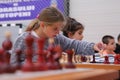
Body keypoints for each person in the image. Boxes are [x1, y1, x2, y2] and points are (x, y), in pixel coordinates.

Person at [10, 7, 102, 64]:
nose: (58, 32)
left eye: (59, 29)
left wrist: (93, 46)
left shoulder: (56, 38)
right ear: (42, 25)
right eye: (55, 29)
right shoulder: (24, 39)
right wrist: (37, 62)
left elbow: (74, 44)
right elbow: (13, 64)